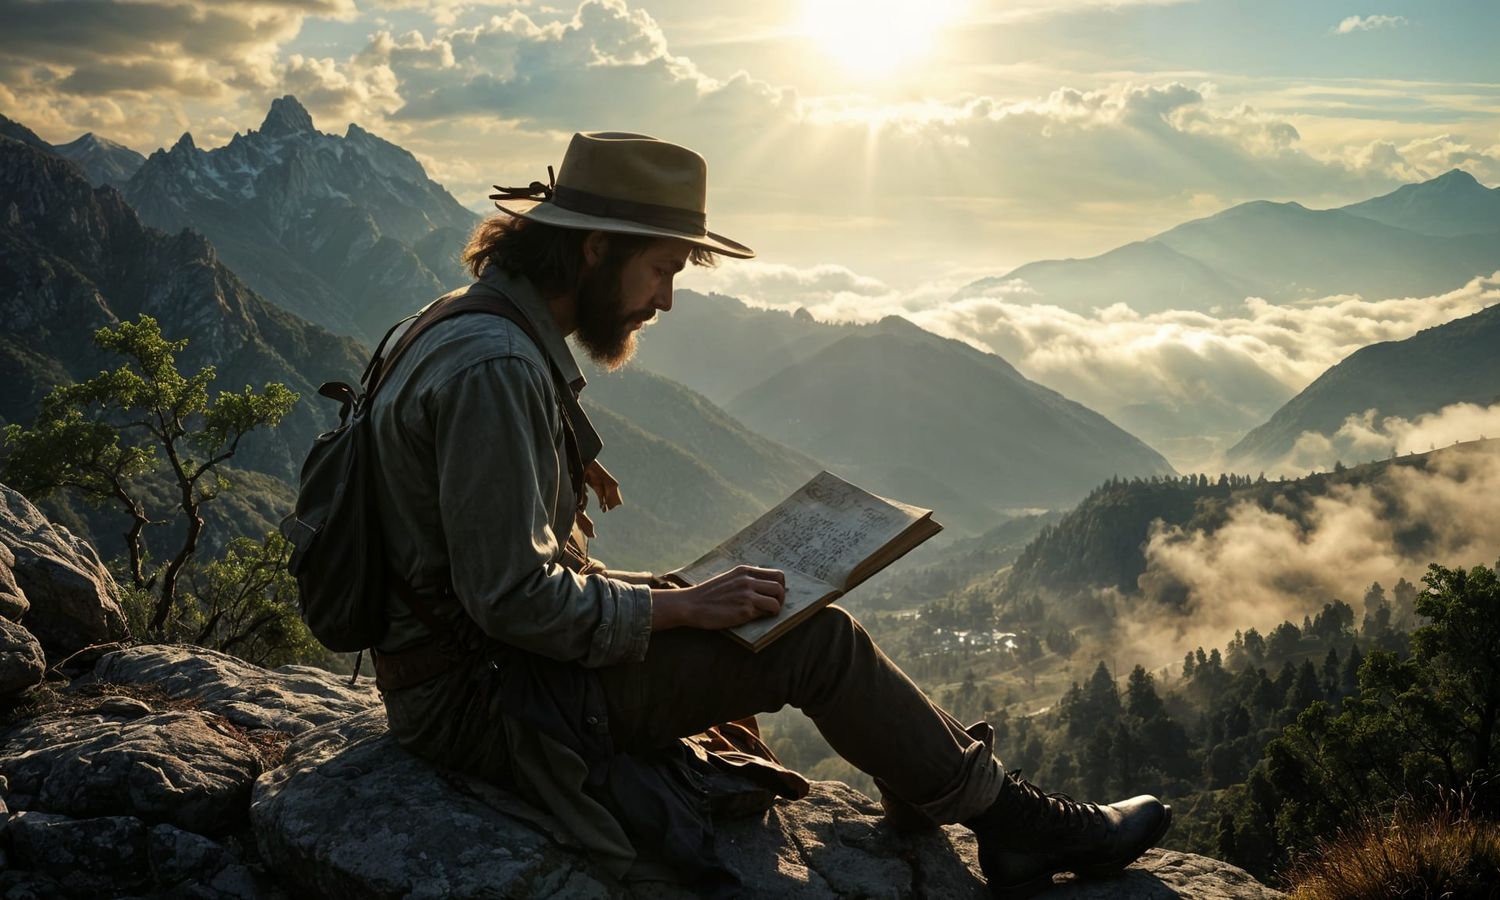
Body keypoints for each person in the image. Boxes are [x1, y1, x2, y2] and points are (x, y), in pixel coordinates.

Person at [366, 131, 1170, 897]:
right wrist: (677, 606)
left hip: (476, 674)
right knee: (815, 640)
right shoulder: (497, 367)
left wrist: (678, 597)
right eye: (660, 270)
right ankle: (1018, 825)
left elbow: (495, 571)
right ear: (593, 248)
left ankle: (935, 778)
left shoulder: (457, 323)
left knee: (759, 601)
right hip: (487, 704)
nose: (668, 300)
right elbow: (509, 600)